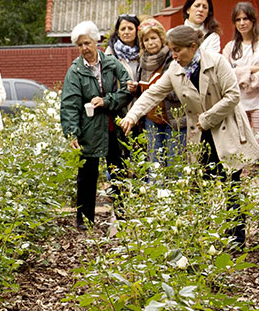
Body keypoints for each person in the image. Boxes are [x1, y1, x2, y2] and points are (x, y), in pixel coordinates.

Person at [121, 25, 259, 245]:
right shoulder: (175, 70)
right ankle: (203, 238)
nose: (174, 55)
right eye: (171, 50)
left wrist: (207, 118)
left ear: (193, 46)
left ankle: (237, 237)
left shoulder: (217, 62)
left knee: (231, 182)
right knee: (200, 185)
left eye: (177, 50)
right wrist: (132, 115)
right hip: (200, 136)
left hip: (226, 129)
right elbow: (153, 93)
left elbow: (233, 95)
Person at [60, 21, 132, 230]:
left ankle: (121, 214)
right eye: (80, 44)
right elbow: (69, 104)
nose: (84, 48)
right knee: (87, 175)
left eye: (87, 43)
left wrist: (107, 101)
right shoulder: (75, 71)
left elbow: (128, 88)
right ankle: (85, 220)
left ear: (96, 41)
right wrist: (72, 132)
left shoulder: (111, 63)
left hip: (113, 126)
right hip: (89, 129)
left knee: (117, 170)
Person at [222, 2, 259, 145]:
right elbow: (224, 75)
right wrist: (251, 70)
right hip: (238, 104)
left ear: (253, 20)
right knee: (244, 152)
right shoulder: (229, 48)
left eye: (245, 18)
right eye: (238, 20)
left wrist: (241, 78)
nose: (242, 23)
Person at [135, 18, 186, 164]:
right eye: (146, 40)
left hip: (173, 118)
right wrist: (136, 88)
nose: (150, 42)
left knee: (174, 162)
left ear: (161, 38)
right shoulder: (143, 61)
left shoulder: (173, 59)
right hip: (152, 118)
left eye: (153, 38)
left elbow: (181, 90)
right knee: (154, 162)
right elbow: (143, 93)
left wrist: (159, 90)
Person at [105, 14, 141, 82]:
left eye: (130, 28)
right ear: (118, 32)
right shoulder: (110, 55)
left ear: (137, 31)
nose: (126, 32)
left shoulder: (143, 51)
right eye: (123, 29)